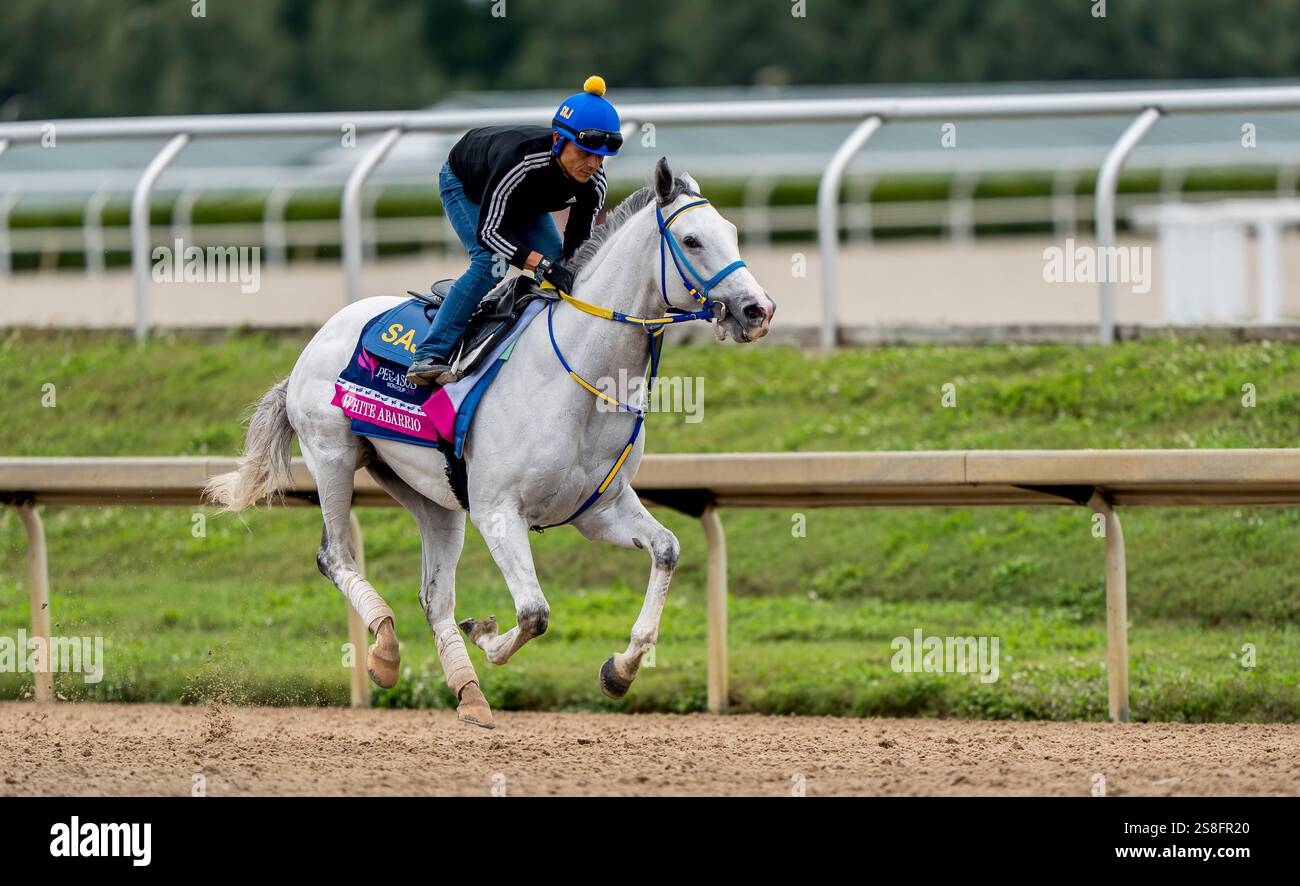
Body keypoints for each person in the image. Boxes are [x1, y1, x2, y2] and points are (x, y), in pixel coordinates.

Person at [406, 75, 622, 385]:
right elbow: (489, 233)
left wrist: (560, 268)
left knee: (562, 265)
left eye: (601, 156)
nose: (592, 164)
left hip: (522, 199)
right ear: (559, 141)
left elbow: (577, 246)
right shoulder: (521, 161)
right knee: (490, 265)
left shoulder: (594, 183)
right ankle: (429, 355)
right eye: (585, 153)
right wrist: (541, 265)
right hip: (468, 186)